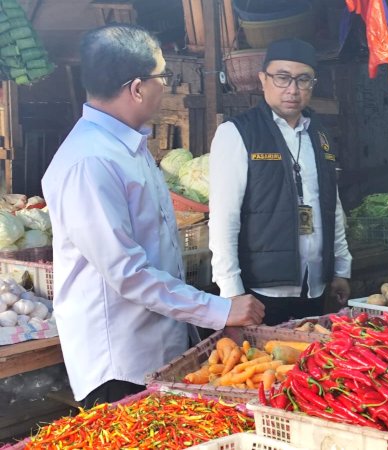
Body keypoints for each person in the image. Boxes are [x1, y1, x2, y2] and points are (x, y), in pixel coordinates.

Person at [41, 24, 265, 407]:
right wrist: (218, 309)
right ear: (137, 88)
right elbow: (128, 274)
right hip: (120, 363)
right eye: (164, 76)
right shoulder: (90, 161)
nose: (167, 85)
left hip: (155, 347)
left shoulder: (127, 145)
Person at [209, 38, 352, 326]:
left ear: (313, 84)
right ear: (263, 79)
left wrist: (340, 269)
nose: (293, 89)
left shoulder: (319, 133)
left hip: (314, 284)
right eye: (282, 77)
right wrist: (231, 292)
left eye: (303, 80)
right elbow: (224, 218)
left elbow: (331, 205)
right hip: (260, 292)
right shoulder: (237, 133)